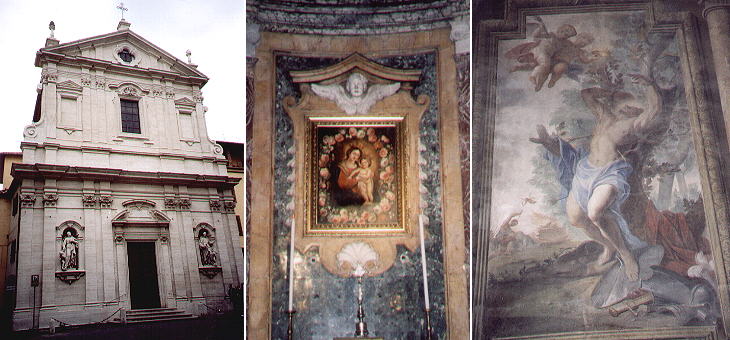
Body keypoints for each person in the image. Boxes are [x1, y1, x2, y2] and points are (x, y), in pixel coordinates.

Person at [530, 74, 662, 280]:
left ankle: (626, 254)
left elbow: (654, 111)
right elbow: (587, 94)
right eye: (622, 103)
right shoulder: (605, 117)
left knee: (595, 212)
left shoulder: (631, 126)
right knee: (575, 217)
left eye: (629, 106)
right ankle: (608, 245)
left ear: (634, 110)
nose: (623, 107)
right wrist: (610, 92)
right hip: (586, 171)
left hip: (610, 174)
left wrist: (651, 84)